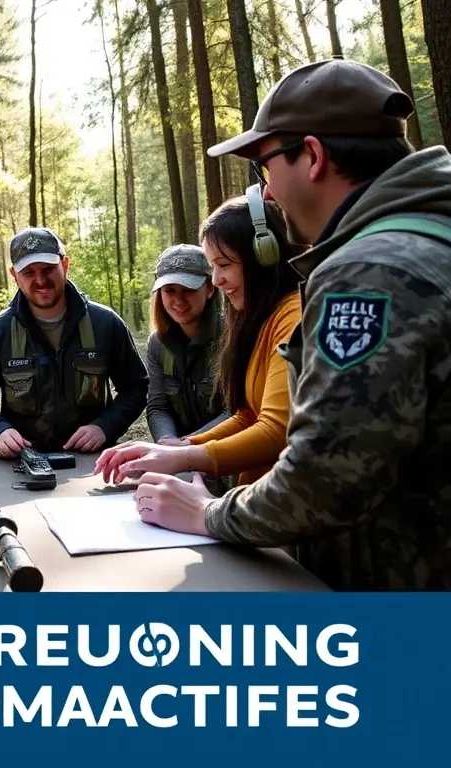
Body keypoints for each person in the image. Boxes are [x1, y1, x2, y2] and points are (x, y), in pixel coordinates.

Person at [126, 57, 451, 591]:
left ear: (314, 156)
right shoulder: (426, 237)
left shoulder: (370, 272)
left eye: (264, 167)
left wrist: (206, 513)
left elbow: (324, 480)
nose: (269, 194)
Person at [96, 187, 303, 487]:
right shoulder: (261, 321)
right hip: (257, 495)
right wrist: (179, 446)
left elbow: (276, 429)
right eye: (212, 267)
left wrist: (184, 457)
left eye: (224, 265)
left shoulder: (292, 317)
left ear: (263, 258)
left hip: (280, 500)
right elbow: (249, 414)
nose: (217, 281)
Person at [0, 226, 149, 457]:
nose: (40, 280)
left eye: (48, 269)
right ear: (14, 276)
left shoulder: (105, 324)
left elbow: (136, 386)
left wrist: (105, 426)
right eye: (28, 272)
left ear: (65, 265)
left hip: (93, 461)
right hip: (25, 463)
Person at [144, 244, 227, 444]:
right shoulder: (157, 344)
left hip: (227, 456)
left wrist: (186, 445)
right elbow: (158, 407)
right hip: (178, 456)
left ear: (209, 289)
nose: (179, 300)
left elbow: (239, 411)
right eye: (170, 290)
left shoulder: (232, 337)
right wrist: (166, 441)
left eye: (188, 289)